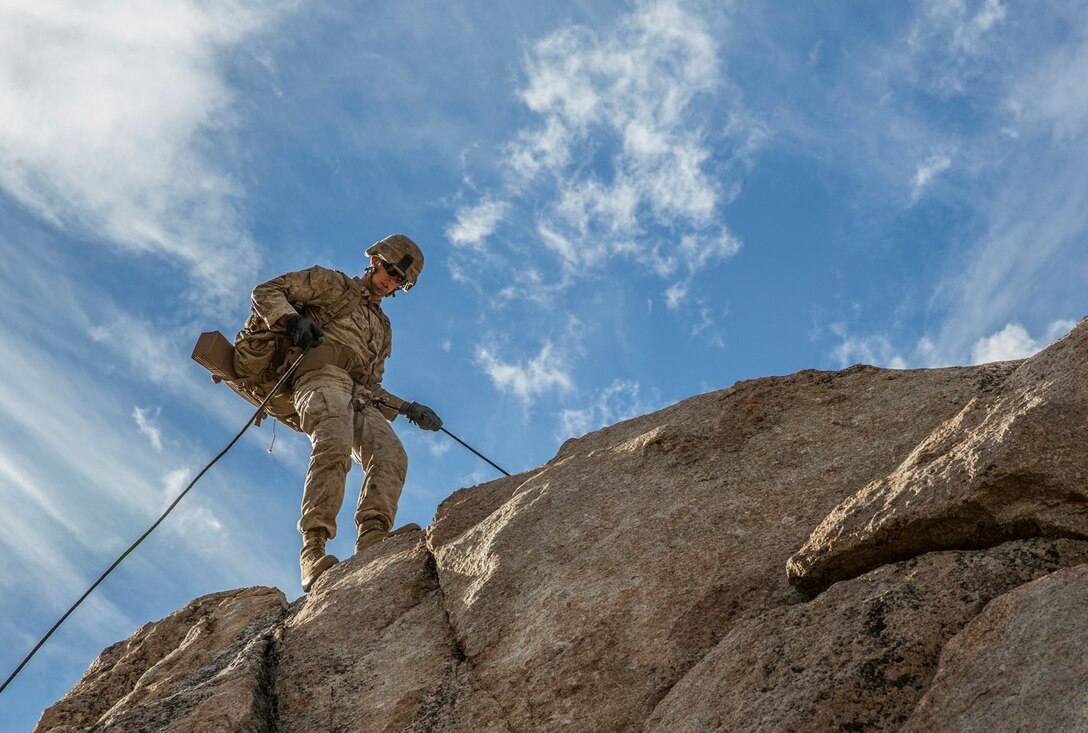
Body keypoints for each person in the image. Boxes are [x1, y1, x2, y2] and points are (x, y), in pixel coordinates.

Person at [246, 234, 442, 592]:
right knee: (333, 443)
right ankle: (313, 550)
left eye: (401, 280)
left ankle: (373, 539)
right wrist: (292, 321)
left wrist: (408, 408)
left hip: (360, 396)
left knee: (391, 456)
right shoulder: (330, 283)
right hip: (317, 378)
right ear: (375, 261)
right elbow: (266, 291)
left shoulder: (382, 329)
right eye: (391, 270)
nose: (392, 281)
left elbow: (371, 384)